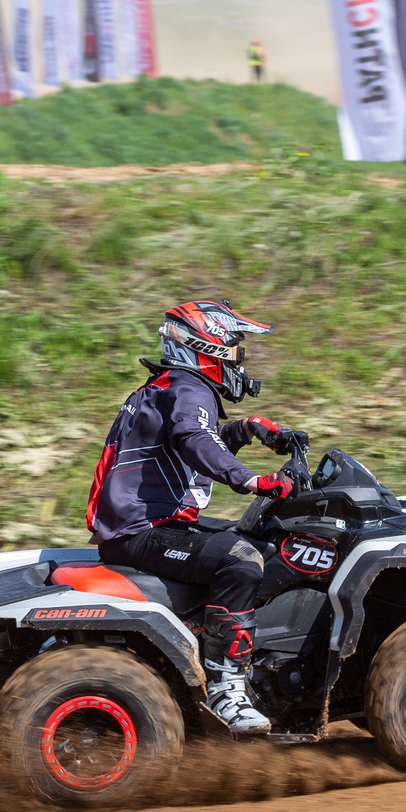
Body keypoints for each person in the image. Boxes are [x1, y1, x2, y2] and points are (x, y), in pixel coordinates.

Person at [87, 300, 298, 734]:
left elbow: (191, 441)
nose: (238, 360)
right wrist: (251, 481)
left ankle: (210, 639)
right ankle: (226, 689)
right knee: (241, 559)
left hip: (140, 524)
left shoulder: (168, 386)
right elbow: (193, 439)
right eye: (234, 349)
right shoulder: (189, 388)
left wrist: (245, 429)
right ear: (209, 347)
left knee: (255, 541)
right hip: (145, 529)